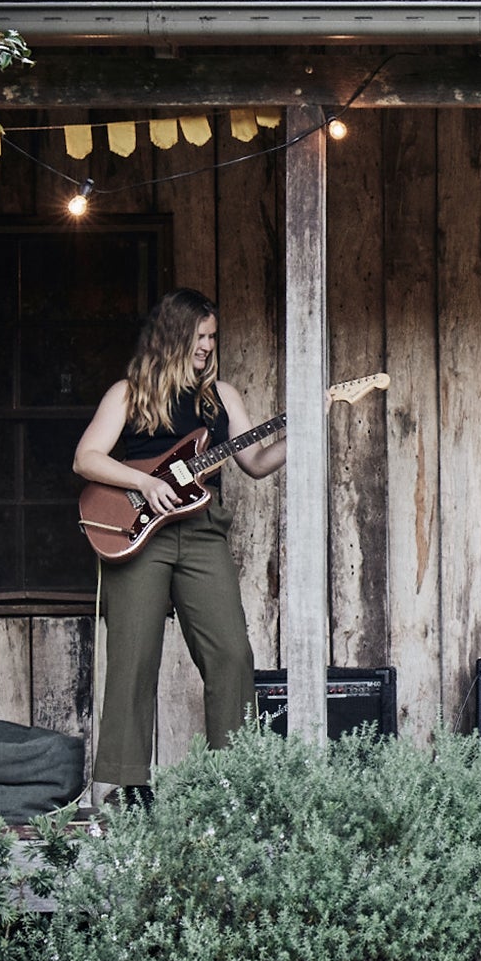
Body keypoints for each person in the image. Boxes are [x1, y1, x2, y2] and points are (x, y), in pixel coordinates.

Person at [73, 288, 286, 804]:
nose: (209, 346)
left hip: (201, 529)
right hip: (140, 529)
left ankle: (233, 780)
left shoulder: (222, 397)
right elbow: (87, 458)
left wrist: (303, 428)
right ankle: (126, 786)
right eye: (201, 336)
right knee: (134, 656)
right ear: (174, 335)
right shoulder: (130, 392)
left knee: (232, 653)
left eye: (213, 337)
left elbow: (254, 463)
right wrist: (145, 484)